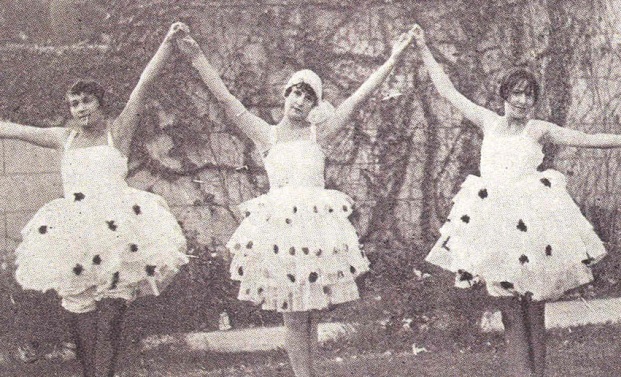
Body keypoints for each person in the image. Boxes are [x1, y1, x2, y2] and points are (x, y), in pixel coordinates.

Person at [175, 23, 417, 377]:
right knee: (291, 311)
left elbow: (358, 98)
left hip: (316, 231)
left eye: (308, 97)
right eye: (295, 93)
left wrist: (392, 58)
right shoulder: (266, 134)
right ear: (285, 95)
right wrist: (196, 57)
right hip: (281, 233)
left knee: (311, 313)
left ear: (315, 104)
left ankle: (310, 373)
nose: (299, 102)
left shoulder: (321, 133)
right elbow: (227, 99)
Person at [414, 24, 621, 376]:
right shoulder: (487, 121)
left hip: (530, 225)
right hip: (494, 224)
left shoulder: (537, 129)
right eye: (516, 93)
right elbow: (447, 91)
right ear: (504, 95)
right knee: (509, 310)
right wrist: (422, 47)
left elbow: (586, 138)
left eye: (529, 95)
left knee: (533, 309)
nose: (523, 101)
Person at [10, 22, 189, 377]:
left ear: (100, 102)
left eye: (86, 101)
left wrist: (168, 43)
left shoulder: (117, 132)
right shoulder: (64, 138)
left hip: (118, 233)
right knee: (81, 323)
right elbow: (13, 129)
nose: (79, 109)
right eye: (74, 104)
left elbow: (143, 84)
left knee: (110, 319)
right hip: (75, 233)